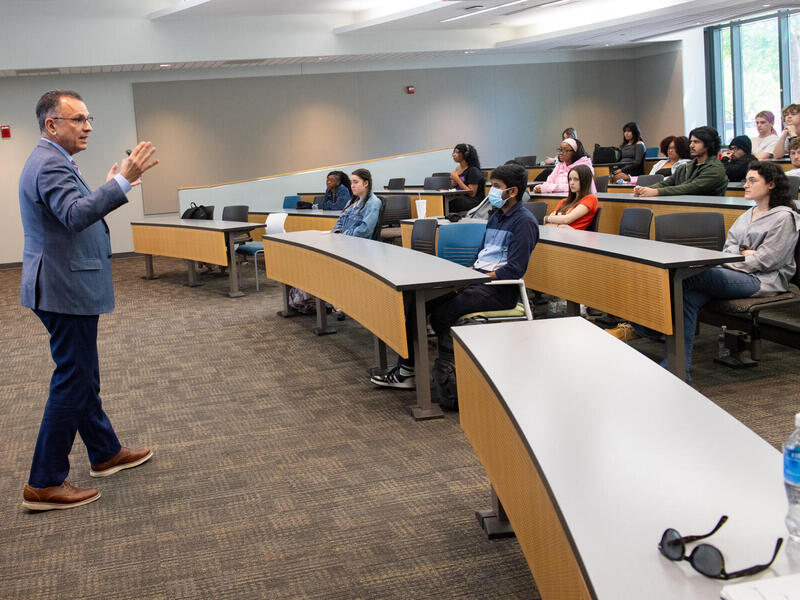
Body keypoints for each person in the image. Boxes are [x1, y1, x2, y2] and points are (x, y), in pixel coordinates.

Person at [19, 90, 158, 511]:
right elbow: (76, 216)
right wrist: (118, 184)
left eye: (88, 118)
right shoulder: (48, 164)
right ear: (51, 125)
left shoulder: (53, 160)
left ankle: (104, 451)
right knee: (73, 378)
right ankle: (43, 483)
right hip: (64, 288)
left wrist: (111, 186)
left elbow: (72, 208)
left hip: (62, 284)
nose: (88, 126)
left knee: (81, 375)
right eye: (78, 119)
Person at [608, 162, 800, 378]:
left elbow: (768, 260)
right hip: (738, 272)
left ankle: (648, 330)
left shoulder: (785, 217)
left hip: (762, 281)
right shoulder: (749, 213)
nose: (745, 185)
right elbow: (730, 247)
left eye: (752, 180)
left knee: (688, 278)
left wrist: (732, 259)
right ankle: (679, 370)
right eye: (745, 180)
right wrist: (742, 255)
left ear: (771, 184)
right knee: (688, 294)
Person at [370, 163, 539, 392]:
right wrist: (464, 275)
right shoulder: (496, 216)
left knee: (442, 312)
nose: (492, 192)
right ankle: (406, 371)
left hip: (500, 289)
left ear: (513, 191)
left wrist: (475, 278)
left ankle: (449, 376)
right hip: (479, 280)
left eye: (497, 187)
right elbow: (482, 256)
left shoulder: (525, 222)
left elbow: (515, 269)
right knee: (414, 302)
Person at [633, 126, 728, 197]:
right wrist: (645, 189)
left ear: (708, 145)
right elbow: (667, 183)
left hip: (708, 212)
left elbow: (690, 188)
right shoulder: (686, 166)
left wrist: (656, 192)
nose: (691, 145)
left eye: (696, 142)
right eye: (691, 142)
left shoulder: (715, 168)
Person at [542, 164, 598, 230]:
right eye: (570, 179)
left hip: (575, 238)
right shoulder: (564, 202)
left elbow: (566, 220)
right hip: (558, 235)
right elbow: (548, 224)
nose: (571, 183)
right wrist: (560, 225)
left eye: (576, 179)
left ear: (584, 181)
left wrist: (547, 218)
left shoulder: (590, 198)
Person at [616, 136, 691, 184]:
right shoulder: (660, 163)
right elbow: (649, 178)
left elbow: (672, 181)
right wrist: (629, 179)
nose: (670, 150)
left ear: (682, 149)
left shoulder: (685, 164)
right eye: (669, 148)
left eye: (674, 148)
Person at [331, 168, 381, 238]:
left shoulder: (373, 202)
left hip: (359, 244)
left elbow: (364, 231)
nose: (352, 186)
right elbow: (340, 222)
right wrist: (337, 233)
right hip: (345, 241)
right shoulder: (350, 203)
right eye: (351, 182)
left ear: (366, 183)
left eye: (356, 182)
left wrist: (343, 236)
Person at [448, 143, 485, 213]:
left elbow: (472, 193)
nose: (454, 154)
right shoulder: (457, 168)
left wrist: (457, 179)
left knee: (450, 204)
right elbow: (455, 186)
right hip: (461, 197)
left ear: (466, 155)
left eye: (457, 152)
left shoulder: (473, 170)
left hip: (473, 201)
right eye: (454, 152)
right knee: (443, 201)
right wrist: (453, 182)